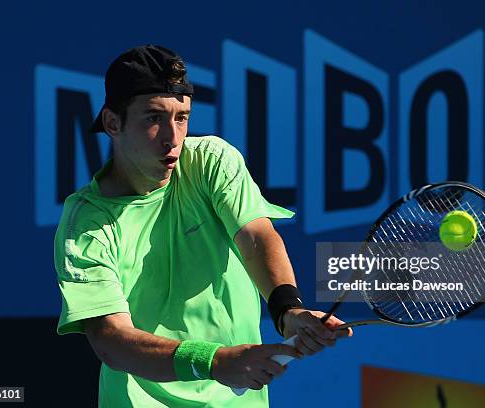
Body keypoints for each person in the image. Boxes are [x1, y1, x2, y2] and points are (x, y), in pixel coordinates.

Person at [53, 44, 351, 408]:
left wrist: (288, 310)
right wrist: (214, 361)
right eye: (152, 118)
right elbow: (110, 339)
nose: (172, 136)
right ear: (113, 123)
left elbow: (256, 236)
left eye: (182, 117)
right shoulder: (86, 223)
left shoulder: (211, 161)